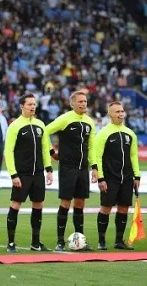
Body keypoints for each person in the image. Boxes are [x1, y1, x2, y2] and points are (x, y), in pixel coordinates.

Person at [46, 91, 98, 251]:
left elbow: (91, 146)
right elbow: (44, 131)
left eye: (85, 101)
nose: (83, 104)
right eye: (80, 101)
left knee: (80, 204)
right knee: (66, 203)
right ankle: (60, 242)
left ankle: (79, 241)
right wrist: (51, 152)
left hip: (83, 168)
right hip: (67, 168)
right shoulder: (65, 119)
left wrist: (94, 167)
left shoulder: (89, 122)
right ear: (72, 104)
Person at [4, 94, 53, 253]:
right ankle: (11, 243)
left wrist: (49, 170)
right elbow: (8, 152)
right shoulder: (14, 126)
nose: (33, 107)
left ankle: (35, 243)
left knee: (38, 205)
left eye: (34, 104)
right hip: (22, 174)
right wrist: (13, 174)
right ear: (22, 106)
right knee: (15, 205)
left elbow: (45, 149)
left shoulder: (40, 125)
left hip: (38, 173)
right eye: (29, 104)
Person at [95, 101, 140, 250]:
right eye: (117, 112)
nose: (120, 114)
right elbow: (97, 157)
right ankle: (101, 241)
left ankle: (119, 241)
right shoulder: (103, 133)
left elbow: (133, 156)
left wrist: (137, 176)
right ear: (109, 114)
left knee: (124, 208)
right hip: (109, 178)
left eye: (122, 111)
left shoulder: (130, 133)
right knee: (106, 208)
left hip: (126, 178)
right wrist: (101, 178)